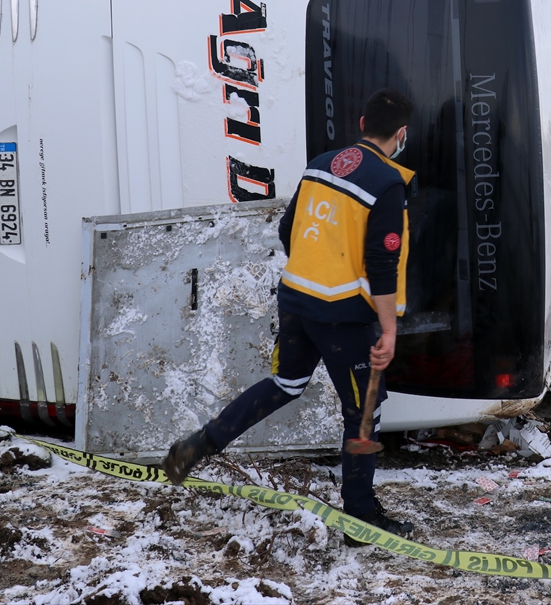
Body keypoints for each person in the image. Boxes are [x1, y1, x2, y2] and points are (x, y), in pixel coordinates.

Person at [162, 88, 417, 543]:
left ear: (361, 124)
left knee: (286, 383)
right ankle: (359, 518)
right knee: (364, 411)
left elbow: (288, 228)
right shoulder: (387, 184)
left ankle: (200, 443)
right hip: (341, 317)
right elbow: (382, 264)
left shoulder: (320, 164)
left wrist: (313, 270)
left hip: (296, 297)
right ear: (400, 135)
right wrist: (390, 329)